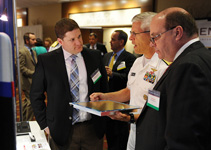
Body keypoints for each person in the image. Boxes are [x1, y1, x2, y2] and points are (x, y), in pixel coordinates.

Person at [135, 7, 211, 150]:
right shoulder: (200, 57)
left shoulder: (188, 66)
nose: (152, 43)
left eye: (156, 37)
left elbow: (184, 139)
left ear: (177, 33)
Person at [90, 12, 168, 150]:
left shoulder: (164, 66)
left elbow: (161, 109)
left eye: (134, 33)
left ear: (151, 34)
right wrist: (103, 96)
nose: (130, 38)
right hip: (133, 129)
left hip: (154, 133)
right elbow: (129, 91)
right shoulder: (138, 61)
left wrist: (130, 117)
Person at [30, 18, 108, 150]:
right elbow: (36, 95)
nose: (79, 43)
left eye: (79, 36)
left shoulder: (94, 57)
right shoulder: (47, 61)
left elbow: (104, 88)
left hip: (93, 130)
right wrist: (45, 125)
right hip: (61, 130)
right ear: (60, 41)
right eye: (72, 40)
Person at [103, 30, 136, 150]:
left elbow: (129, 79)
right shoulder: (107, 56)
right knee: (109, 133)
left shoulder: (130, 58)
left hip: (121, 101)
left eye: (113, 39)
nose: (110, 42)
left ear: (121, 42)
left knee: (120, 134)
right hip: (106, 100)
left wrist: (113, 74)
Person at [19, 32, 37, 121]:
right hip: (27, 81)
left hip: (33, 81)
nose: (35, 41)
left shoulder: (33, 51)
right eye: (33, 39)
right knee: (31, 102)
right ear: (27, 41)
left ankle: (23, 121)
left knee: (27, 102)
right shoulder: (22, 51)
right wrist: (33, 73)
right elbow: (21, 67)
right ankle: (28, 122)